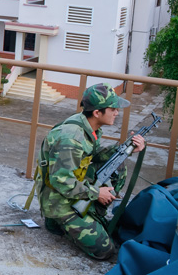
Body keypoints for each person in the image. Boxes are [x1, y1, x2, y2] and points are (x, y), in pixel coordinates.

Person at [36, 83, 145, 260]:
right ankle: (58, 219)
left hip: (72, 188)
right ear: (97, 112)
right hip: (59, 199)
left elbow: (94, 155)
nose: (117, 112)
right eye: (113, 109)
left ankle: (91, 213)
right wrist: (96, 193)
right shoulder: (71, 138)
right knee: (105, 251)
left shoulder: (88, 125)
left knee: (116, 164)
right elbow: (60, 181)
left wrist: (127, 147)